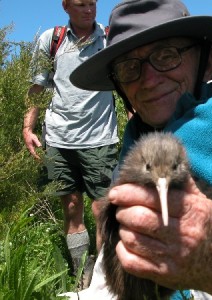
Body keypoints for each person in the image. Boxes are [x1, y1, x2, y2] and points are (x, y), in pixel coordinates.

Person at [68, 0, 212, 299]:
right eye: (129, 67)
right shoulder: (135, 148)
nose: (149, 80)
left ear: (208, 60)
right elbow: (108, 283)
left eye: (167, 55)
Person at [23, 0, 119, 290]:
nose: (88, 10)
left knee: (102, 210)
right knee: (71, 206)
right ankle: (81, 275)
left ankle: (103, 279)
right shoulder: (50, 40)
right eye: (80, 4)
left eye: (92, 3)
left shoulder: (110, 37)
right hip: (58, 138)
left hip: (100, 137)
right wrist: (28, 128)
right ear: (66, 6)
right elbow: (36, 89)